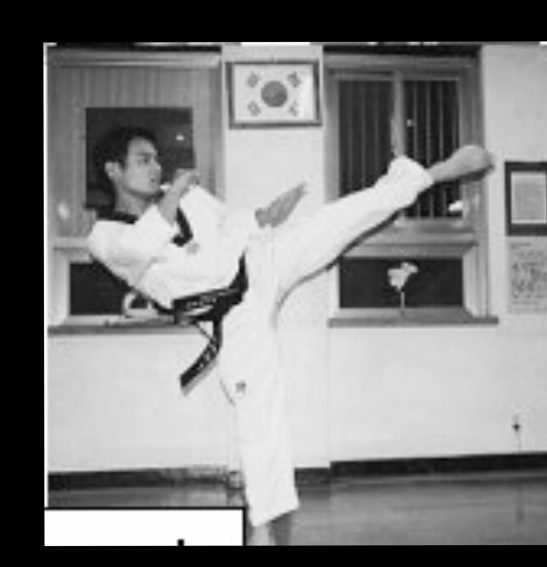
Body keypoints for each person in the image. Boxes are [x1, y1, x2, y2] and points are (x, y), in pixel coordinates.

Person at [87, 126, 493, 544]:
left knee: (341, 217)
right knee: (260, 418)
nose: (156, 167)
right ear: (114, 170)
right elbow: (138, 249)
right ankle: (263, 527)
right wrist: (174, 195)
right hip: (231, 317)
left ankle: (433, 173)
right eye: (143, 160)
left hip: (262, 263)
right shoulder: (104, 235)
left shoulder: (187, 195)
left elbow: (231, 223)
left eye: (156, 158)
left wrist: (265, 215)